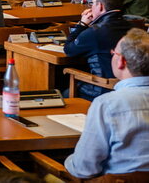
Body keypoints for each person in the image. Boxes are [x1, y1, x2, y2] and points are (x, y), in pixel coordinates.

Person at [64, 29, 149, 178]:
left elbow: (84, 169)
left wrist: (66, 161)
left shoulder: (107, 104)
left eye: (113, 53)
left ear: (121, 61)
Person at [63, 0, 133, 101]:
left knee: (63, 92)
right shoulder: (134, 27)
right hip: (130, 88)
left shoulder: (95, 32)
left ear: (100, 6)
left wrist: (82, 25)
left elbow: (69, 50)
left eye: (92, 3)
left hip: (102, 89)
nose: (90, 8)